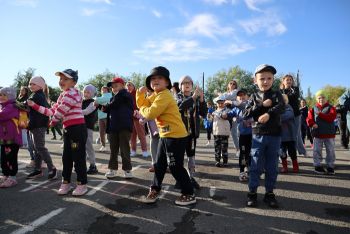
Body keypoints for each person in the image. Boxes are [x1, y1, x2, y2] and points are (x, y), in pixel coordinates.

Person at [136, 66, 196, 206]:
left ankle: (189, 193)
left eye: (160, 78)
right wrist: (139, 95)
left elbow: (150, 113)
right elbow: (144, 104)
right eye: (153, 78)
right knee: (159, 164)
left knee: (175, 166)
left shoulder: (165, 95)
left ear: (167, 82)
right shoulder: (155, 95)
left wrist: (142, 110)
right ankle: (155, 189)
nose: (156, 80)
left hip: (175, 136)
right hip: (165, 135)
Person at [28, 69, 88, 196]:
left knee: (78, 158)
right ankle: (65, 182)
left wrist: (53, 122)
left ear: (74, 82)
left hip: (77, 129)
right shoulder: (63, 95)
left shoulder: (72, 93)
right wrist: (34, 106)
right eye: (61, 79)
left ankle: (82, 184)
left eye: (65, 79)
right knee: (66, 158)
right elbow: (51, 111)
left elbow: (61, 110)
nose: (62, 81)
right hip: (68, 129)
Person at [243, 64, 284, 208]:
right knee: (255, 165)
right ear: (255, 80)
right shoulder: (253, 96)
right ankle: (252, 193)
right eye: (262, 79)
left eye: (269, 78)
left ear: (273, 80)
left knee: (272, 166)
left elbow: (282, 107)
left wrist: (268, 113)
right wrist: (261, 105)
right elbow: (246, 114)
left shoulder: (277, 94)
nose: (265, 81)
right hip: (258, 135)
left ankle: (269, 193)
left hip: (275, 135)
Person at [97, 77, 134, 179]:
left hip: (124, 127)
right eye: (112, 86)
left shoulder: (125, 95)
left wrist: (98, 105)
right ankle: (112, 169)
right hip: (113, 127)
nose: (113, 87)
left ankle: (127, 170)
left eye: (116, 85)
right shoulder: (114, 98)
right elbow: (108, 110)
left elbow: (112, 105)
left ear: (123, 85)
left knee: (124, 149)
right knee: (113, 149)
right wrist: (99, 107)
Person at [176, 75, 207, 189]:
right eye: (184, 82)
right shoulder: (177, 97)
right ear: (180, 86)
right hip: (179, 134)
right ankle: (180, 179)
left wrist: (202, 98)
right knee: (179, 158)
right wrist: (194, 97)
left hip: (192, 134)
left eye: (189, 82)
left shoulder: (197, 99)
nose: (187, 84)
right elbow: (180, 106)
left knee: (191, 156)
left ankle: (191, 177)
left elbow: (203, 113)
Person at [26, 76, 57, 180]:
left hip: (38, 125)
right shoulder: (36, 94)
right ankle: (38, 169)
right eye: (30, 84)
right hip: (35, 124)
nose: (30, 86)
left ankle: (52, 168)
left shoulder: (38, 95)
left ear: (40, 85)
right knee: (37, 148)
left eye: (33, 84)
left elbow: (28, 106)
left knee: (40, 147)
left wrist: (17, 104)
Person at [307, 90, 337, 175]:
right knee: (317, 150)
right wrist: (312, 124)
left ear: (326, 98)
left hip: (329, 134)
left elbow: (331, 117)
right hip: (318, 134)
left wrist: (320, 114)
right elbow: (308, 119)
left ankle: (330, 166)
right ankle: (317, 166)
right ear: (317, 99)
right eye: (319, 98)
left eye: (323, 97)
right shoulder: (313, 109)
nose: (321, 99)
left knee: (330, 151)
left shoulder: (331, 108)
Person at [227, 89, 253, 181]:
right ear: (237, 98)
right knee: (242, 154)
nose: (241, 97)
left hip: (252, 135)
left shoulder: (250, 105)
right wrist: (223, 114)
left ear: (247, 97)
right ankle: (242, 171)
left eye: (243, 95)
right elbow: (228, 114)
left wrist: (232, 102)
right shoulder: (235, 108)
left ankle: (250, 170)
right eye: (239, 96)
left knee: (251, 153)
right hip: (242, 136)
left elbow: (243, 105)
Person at [0, 87, 22, 188]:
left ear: (11, 96)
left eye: (5, 95)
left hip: (12, 138)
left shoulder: (12, 106)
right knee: (4, 158)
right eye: (1, 95)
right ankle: (6, 175)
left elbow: (2, 115)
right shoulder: (4, 106)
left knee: (11, 157)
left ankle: (12, 177)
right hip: (5, 138)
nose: (2, 97)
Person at [280, 75, 307, 157]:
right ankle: (282, 153)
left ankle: (302, 151)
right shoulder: (280, 91)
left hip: (295, 114)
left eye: (290, 80)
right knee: (283, 134)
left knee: (296, 133)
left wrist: (285, 97)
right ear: (283, 81)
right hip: (284, 115)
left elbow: (294, 96)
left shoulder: (295, 89)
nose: (289, 81)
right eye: (287, 80)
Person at [126, 81, 149, 157]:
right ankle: (133, 150)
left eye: (130, 85)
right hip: (130, 118)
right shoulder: (126, 95)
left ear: (134, 86)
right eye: (127, 85)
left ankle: (144, 151)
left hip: (138, 116)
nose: (128, 86)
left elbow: (140, 104)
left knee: (141, 135)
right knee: (132, 136)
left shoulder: (136, 93)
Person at [280, 94, 299, 173]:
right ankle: (285, 167)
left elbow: (288, 115)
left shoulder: (289, 107)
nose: (282, 101)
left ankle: (295, 166)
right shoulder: (277, 108)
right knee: (282, 152)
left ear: (286, 100)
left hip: (290, 136)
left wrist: (277, 117)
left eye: (284, 100)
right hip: (280, 136)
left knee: (292, 152)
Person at [82, 84, 98, 174]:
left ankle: (93, 165)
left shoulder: (93, 102)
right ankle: (82, 165)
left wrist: (74, 112)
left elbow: (86, 112)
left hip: (88, 127)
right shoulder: (81, 101)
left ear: (92, 93)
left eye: (88, 92)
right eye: (84, 92)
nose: (86, 94)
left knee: (89, 146)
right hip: (80, 126)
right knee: (81, 147)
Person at [212, 95, 231, 167]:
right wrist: (209, 117)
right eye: (218, 103)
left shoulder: (227, 110)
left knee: (224, 148)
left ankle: (225, 161)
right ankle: (217, 161)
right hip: (216, 132)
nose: (220, 104)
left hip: (224, 132)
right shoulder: (214, 112)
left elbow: (228, 117)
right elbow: (211, 120)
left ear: (224, 103)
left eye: (222, 103)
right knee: (217, 147)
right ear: (216, 104)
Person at [224, 79, 240, 157]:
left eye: (234, 84)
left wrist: (221, 96)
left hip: (234, 114)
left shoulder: (236, 92)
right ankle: (224, 151)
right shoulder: (226, 93)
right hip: (226, 115)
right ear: (228, 85)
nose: (232, 85)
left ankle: (238, 149)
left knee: (234, 133)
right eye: (230, 83)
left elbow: (229, 97)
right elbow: (216, 100)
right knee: (225, 133)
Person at [95, 86, 112, 152]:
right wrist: (97, 100)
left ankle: (112, 146)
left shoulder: (109, 96)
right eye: (102, 89)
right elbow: (97, 101)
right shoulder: (101, 97)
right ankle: (103, 146)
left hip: (107, 116)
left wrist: (97, 99)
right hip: (100, 117)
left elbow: (98, 100)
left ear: (107, 90)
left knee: (109, 132)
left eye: (104, 89)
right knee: (101, 132)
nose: (103, 90)